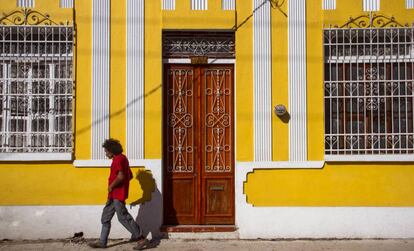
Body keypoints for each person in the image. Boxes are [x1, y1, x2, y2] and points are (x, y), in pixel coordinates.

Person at [88, 138, 149, 250]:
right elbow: (129, 175)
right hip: (114, 195)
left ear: (112, 151)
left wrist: (112, 186)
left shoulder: (117, 160)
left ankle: (141, 239)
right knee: (106, 217)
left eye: (106, 151)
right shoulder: (123, 158)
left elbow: (121, 176)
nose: (106, 154)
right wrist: (122, 187)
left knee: (123, 217)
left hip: (117, 195)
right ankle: (102, 242)